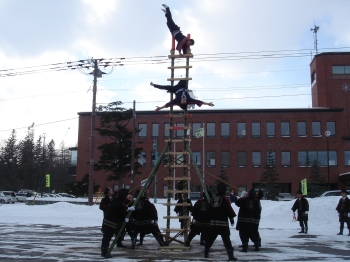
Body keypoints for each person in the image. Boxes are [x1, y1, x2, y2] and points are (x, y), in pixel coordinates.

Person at [204, 183, 237, 261]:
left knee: (211, 238)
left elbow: (209, 210)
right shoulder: (225, 199)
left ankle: (206, 251)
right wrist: (231, 219)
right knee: (226, 239)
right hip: (223, 223)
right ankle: (230, 255)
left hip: (214, 223)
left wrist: (208, 219)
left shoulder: (212, 199)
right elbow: (228, 209)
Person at [100, 188, 130, 258]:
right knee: (107, 237)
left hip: (111, 222)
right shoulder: (116, 202)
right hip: (110, 223)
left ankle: (105, 250)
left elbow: (121, 209)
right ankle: (104, 251)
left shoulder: (117, 201)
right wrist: (124, 218)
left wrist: (127, 208)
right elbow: (119, 211)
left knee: (108, 237)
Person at [235, 188, 260, 253]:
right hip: (249, 220)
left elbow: (237, 203)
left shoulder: (244, 200)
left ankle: (245, 248)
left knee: (242, 234)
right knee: (250, 234)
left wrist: (241, 197)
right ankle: (256, 244)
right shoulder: (253, 201)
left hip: (242, 220)